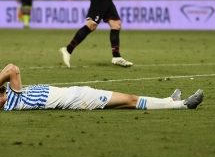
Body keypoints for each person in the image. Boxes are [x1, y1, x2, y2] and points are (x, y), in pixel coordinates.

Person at [0, 63, 204, 111]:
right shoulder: (12, 102)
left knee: (130, 99)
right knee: (130, 100)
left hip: (77, 92)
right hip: (79, 100)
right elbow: (13, 68)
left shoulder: (10, 92)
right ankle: (183, 105)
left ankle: (170, 100)